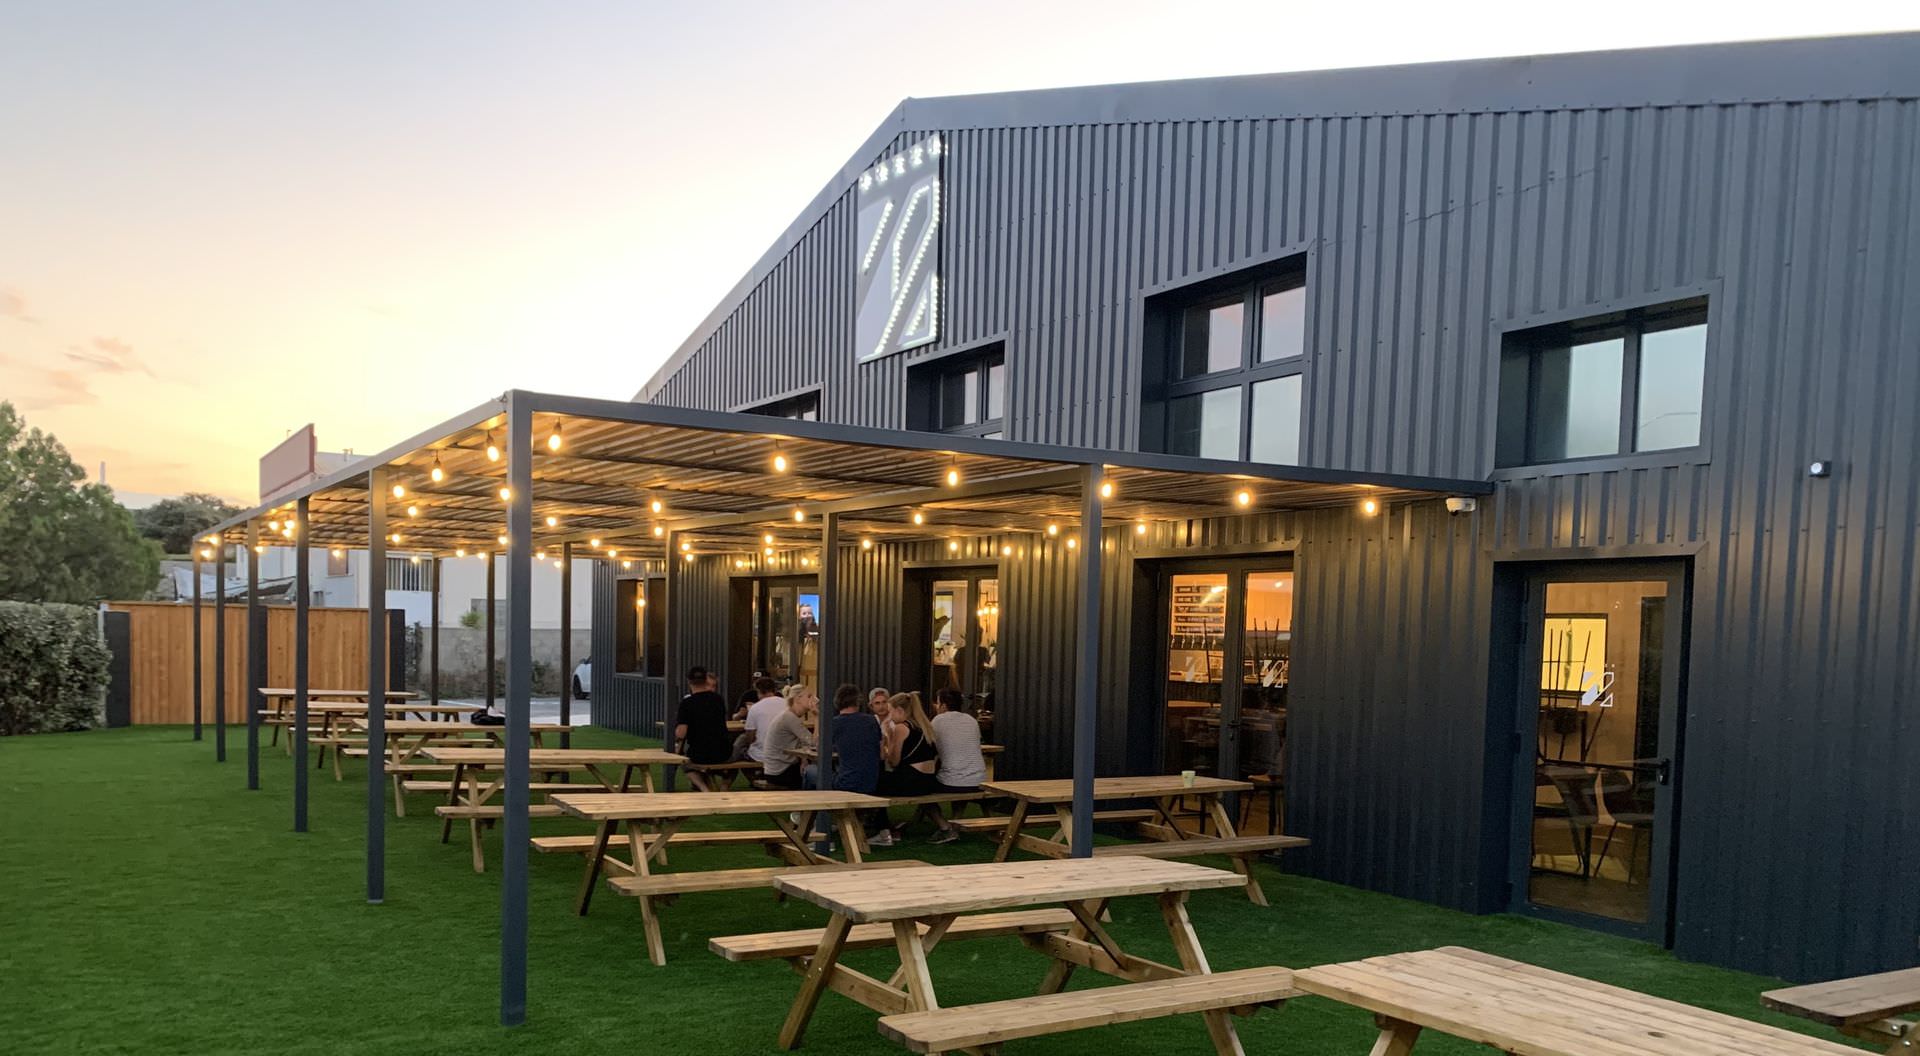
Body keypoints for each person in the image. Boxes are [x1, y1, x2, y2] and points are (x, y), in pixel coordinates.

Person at [805, 683, 888, 845]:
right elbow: (881, 753)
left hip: (847, 783)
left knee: (809, 771)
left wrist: (817, 717)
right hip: (871, 782)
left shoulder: (835, 723)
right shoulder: (871, 721)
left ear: (837, 702)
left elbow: (818, 747)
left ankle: (815, 827)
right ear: (858, 702)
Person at [879, 691, 940, 798]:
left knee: (874, 781)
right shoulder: (924, 727)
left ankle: (877, 815)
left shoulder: (901, 728)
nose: (890, 716)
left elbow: (893, 762)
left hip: (911, 781)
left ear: (899, 710)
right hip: (929, 780)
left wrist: (888, 735)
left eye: (890, 712)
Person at [760, 684, 817, 789]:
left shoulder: (789, 716)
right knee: (815, 774)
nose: (815, 700)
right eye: (809, 696)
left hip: (777, 768)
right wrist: (817, 717)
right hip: (780, 771)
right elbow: (814, 743)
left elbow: (803, 742)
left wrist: (804, 760)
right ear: (798, 699)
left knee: (811, 770)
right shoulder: (789, 718)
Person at [672, 666, 731, 765]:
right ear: (705, 681)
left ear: (689, 681)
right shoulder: (718, 699)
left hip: (698, 754)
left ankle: (700, 782)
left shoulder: (687, 703)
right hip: (723, 752)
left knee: (684, 761)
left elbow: (681, 733)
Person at [740, 677, 787, 765]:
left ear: (758, 691)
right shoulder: (787, 705)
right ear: (774, 689)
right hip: (784, 754)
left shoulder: (755, 708)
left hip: (760, 755)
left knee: (741, 748)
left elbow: (750, 737)